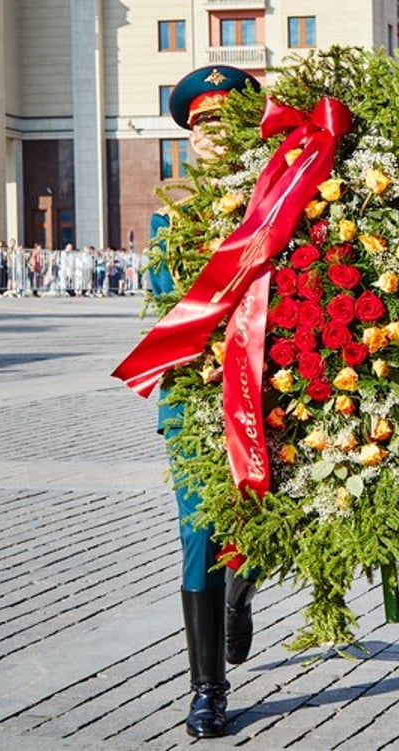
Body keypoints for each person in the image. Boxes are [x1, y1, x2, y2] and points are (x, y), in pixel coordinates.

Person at [152, 65, 261, 739]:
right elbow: (173, 312)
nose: (215, 137)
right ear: (190, 142)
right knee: (200, 537)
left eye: (226, 124)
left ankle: (240, 595)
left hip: (269, 399)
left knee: (254, 538)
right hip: (197, 401)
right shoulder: (172, 222)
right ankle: (207, 689)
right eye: (203, 127)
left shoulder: (281, 206)